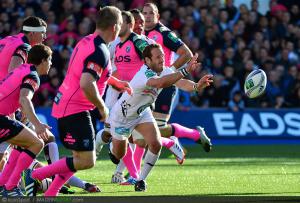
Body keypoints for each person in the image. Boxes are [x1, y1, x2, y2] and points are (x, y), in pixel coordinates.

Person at [26, 6, 131, 197]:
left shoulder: (87, 41)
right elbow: (86, 83)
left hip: (67, 105)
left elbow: (88, 74)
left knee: (78, 157)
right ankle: (36, 174)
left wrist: (116, 83)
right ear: (115, 27)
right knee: (86, 160)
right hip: (75, 109)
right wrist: (102, 107)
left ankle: (51, 193)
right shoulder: (100, 51)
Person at [108, 44, 213, 191]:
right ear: (147, 60)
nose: (162, 59)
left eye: (162, 56)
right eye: (157, 57)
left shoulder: (164, 70)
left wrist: (196, 86)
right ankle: (112, 147)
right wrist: (184, 70)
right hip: (122, 116)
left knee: (155, 143)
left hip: (142, 113)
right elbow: (160, 83)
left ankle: (141, 180)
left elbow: (180, 83)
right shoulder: (144, 74)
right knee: (119, 154)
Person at [142, 3, 212, 152]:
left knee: (153, 130)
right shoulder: (140, 33)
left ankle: (191, 136)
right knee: (142, 131)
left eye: (150, 13)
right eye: (145, 13)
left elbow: (187, 53)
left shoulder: (163, 33)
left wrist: (169, 71)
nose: (147, 16)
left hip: (165, 85)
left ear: (157, 16)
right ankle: (186, 138)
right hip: (147, 83)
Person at [0, 44, 52, 196]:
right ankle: (10, 187)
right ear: (42, 61)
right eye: (50, 60)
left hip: (3, 117)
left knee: (21, 144)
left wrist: (21, 111)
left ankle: (4, 184)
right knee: (37, 143)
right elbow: (24, 98)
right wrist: (38, 125)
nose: (51, 64)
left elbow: (15, 94)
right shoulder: (32, 75)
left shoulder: (21, 70)